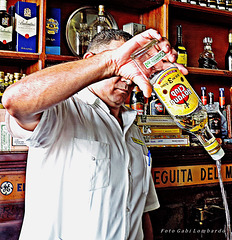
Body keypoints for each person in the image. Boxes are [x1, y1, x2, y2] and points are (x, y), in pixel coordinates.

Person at [2, 29, 187, 240]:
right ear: (92, 60)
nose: (127, 77)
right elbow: (14, 100)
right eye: (122, 65)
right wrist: (111, 63)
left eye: (133, 66)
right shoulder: (62, 110)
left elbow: (140, 211)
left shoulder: (132, 126)